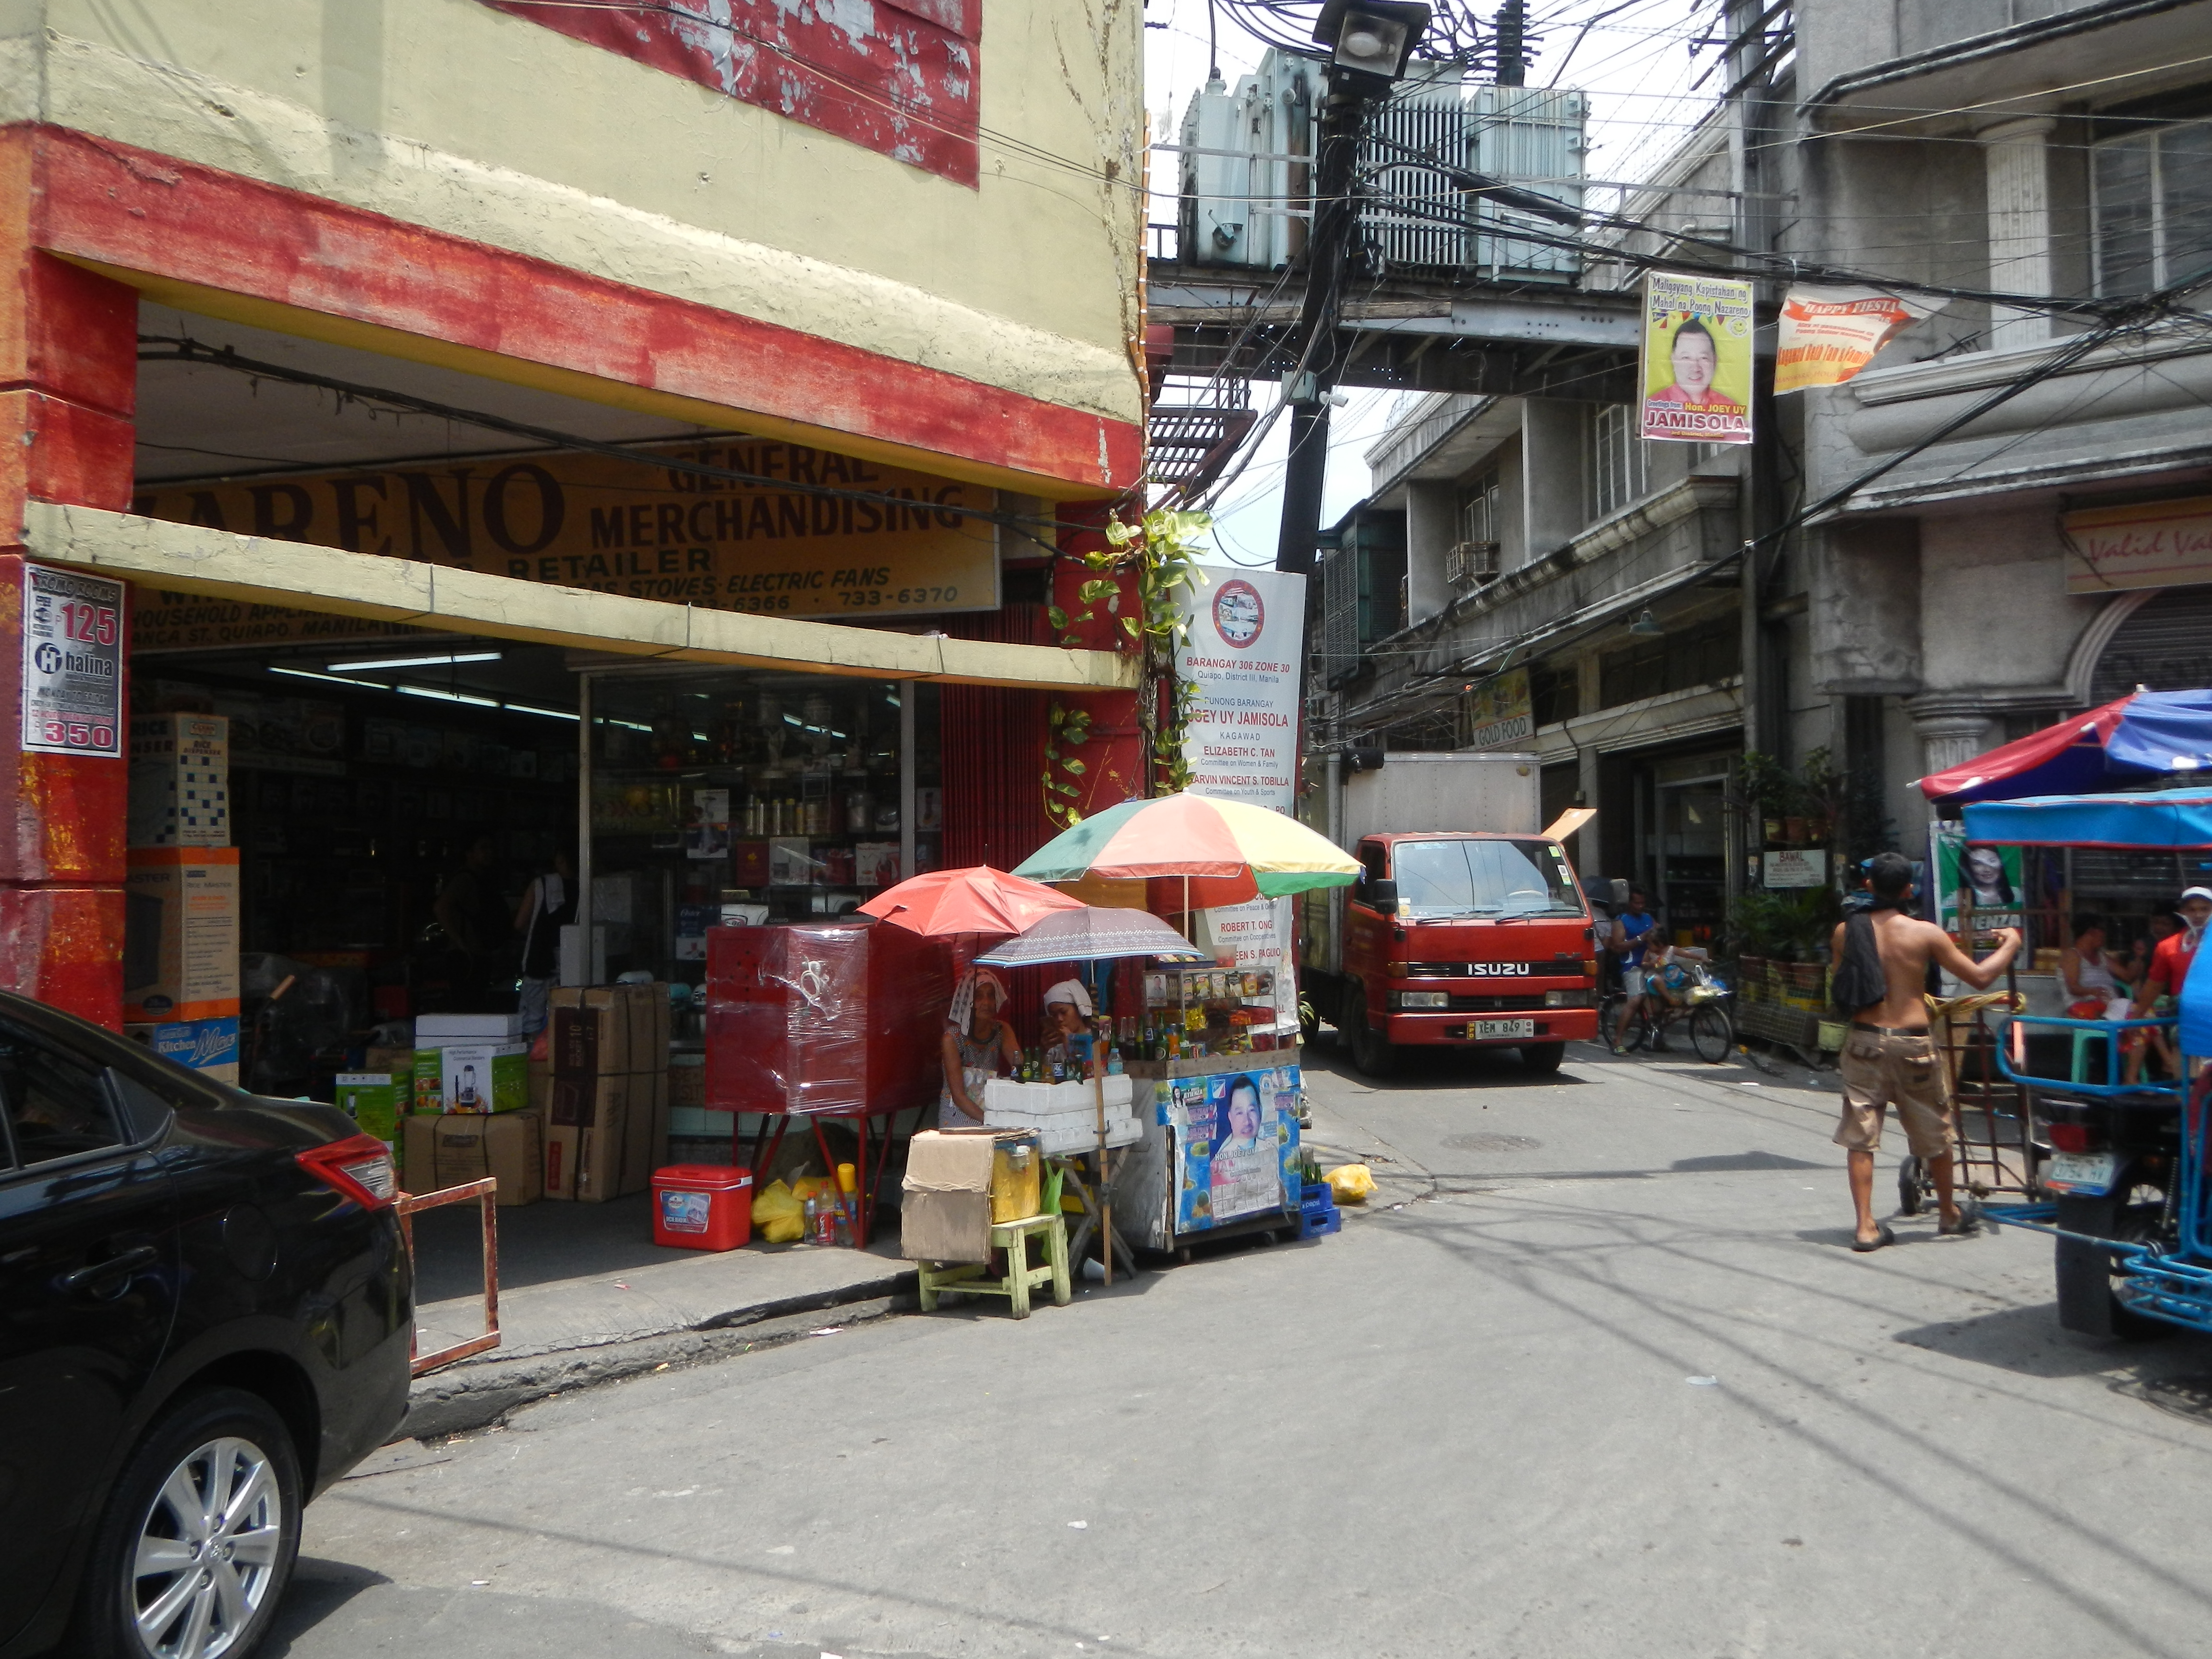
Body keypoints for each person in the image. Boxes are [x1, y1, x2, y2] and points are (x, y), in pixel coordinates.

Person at [1829, 851, 2020, 1251]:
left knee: (1860, 1136)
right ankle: (1949, 1214)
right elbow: (1982, 977)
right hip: (1914, 1042)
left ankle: (1866, 1227)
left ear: (1868, 885)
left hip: (1864, 1040)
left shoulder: (1846, 932)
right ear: (1908, 890)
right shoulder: (1925, 933)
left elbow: (1842, 981)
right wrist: (2012, 944)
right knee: (1936, 1131)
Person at [2125, 888, 2212, 1082]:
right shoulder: (2169, 947)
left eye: (2205, 909)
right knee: (2187, 1085)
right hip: (2184, 1022)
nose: (2198, 915)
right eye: (2192, 909)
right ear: (2182, 912)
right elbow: (2155, 984)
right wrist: (2137, 1016)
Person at [938, 966, 1021, 1128]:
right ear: (967, 1000)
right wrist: (990, 1121)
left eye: (991, 996)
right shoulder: (952, 1039)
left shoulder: (1001, 1031)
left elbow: (1020, 1069)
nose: (987, 1003)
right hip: (957, 1116)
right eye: (978, 997)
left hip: (990, 1112)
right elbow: (959, 1096)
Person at [433, 832, 509, 1000]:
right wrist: (461, 943)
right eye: (483, 848)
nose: (489, 852)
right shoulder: (465, 879)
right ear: (469, 853)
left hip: (480, 952)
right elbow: (441, 907)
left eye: (491, 848)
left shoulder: (482, 879)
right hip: (466, 957)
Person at [512, 849, 577, 1036]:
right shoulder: (587, 887)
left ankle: (533, 1056)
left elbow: (519, 923)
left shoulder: (540, 884)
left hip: (539, 958)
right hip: (572, 960)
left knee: (531, 1018)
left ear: (560, 859)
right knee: (565, 1018)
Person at [1644, 318, 1745, 415]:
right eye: (1686, 358)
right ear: (1673, 360)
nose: (1695, 368)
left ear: (1715, 361)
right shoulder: (1652, 408)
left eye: (1703, 358)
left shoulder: (1731, 409)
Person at [1609, 886, 1663, 1052]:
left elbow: (1661, 935)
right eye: (1637, 903)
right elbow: (1617, 947)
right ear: (1629, 903)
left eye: (1642, 903)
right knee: (1636, 999)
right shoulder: (1621, 921)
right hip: (1632, 967)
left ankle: (1658, 1037)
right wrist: (1640, 939)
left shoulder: (1648, 918)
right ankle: (1617, 1040)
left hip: (1652, 965)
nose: (1640, 907)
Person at [2059, 914, 2124, 1019]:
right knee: (2127, 1014)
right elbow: (2073, 988)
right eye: (2102, 930)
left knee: (2141, 1012)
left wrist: (2139, 958)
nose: (2104, 935)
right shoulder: (2072, 955)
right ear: (2091, 932)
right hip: (2084, 1006)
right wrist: (2094, 992)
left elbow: (2127, 976)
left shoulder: (2102, 957)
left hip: (2110, 1004)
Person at [1041, 979, 1096, 1080]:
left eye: (1064, 1012)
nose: (1059, 1019)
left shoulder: (1097, 1040)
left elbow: (1087, 1074)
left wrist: (1071, 1044)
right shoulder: (1055, 1048)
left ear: (1078, 1009)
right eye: (1054, 1015)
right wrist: (1044, 1051)